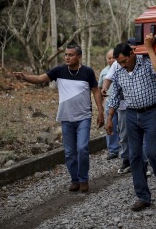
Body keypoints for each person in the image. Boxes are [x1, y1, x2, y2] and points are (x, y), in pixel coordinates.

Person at [13, 44, 104, 193]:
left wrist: (101, 111)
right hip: (66, 118)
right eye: (66, 54)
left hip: (84, 117)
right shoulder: (59, 71)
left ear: (79, 57)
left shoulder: (87, 72)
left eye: (71, 55)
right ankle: (75, 180)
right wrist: (24, 77)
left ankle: (83, 179)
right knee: (69, 152)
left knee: (82, 148)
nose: (67, 57)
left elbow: (95, 91)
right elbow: (39, 78)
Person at [105, 34, 156, 212]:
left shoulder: (146, 61)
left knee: (153, 152)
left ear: (133, 54)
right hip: (131, 115)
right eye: (120, 63)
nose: (123, 65)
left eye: (125, 61)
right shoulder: (119, 70)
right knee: (134, 156)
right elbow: (115, 95)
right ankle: (143, 196)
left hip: (151, 113)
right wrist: (109, 117)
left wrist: (149, 48)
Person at [99, 49, 120, 160]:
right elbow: (99, 88)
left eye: (113, 57)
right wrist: (101, 105)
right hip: (108, 102)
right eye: (109, 58)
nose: (111, 60)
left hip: (122, 103)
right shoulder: (104, 72)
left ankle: (124, 150)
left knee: (122, 126)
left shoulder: (122, 68)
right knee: (110, 126)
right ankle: (112, 150)